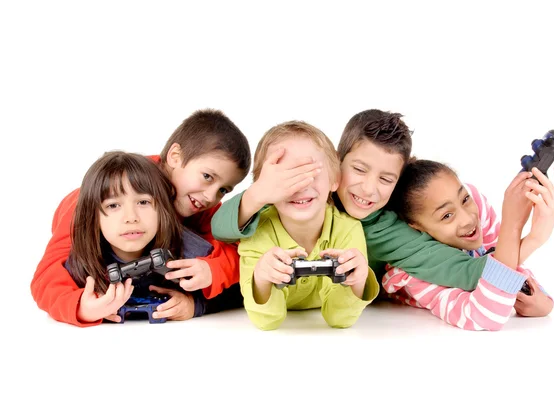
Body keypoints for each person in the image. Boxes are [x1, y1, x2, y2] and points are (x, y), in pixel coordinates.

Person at [211, 109, 529, 298]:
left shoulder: (386, 230)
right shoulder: (303, 193)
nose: (369, 189)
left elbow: (467, 273)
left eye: (386, 179)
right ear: (336, 163)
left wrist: (529, 234)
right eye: (359, 170)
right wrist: (260, 192)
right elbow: (221, 228)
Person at [31, 109, 257, 326]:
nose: (211, 196)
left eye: (224, 190)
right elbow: (48, 273)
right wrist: (80, 307)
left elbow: (240, 253)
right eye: (207, 176)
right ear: (175, 157)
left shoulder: (199, 204)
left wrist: (206, 284)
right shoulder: (90, 203)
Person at [381, 159, 554, 330]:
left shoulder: (478, 210)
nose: (468, 219)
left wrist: (543, 303)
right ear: (416, 227)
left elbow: (510, 263)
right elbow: (482, 316)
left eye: (465, 199)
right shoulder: (412, 277)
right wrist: (524, 233)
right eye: (446, 216)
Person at [237, 121, 379, 330]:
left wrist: (358, 281)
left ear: (335, 179)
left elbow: (340, 319)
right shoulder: (256, 231)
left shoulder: (348, 229)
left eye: (311, 173)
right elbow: (266, 322)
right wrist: (262, 278)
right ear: (265, 188)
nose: (300, 187)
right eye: (286, 178)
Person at [66, 151, 237, 324]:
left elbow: (240, 291)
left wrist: (195, 305)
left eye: (143, 202)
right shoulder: (80, 265)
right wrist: (84, 309)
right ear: (93, 217)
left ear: (163, 210)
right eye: (113, 205)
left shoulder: (192, 253)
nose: (131, 217)